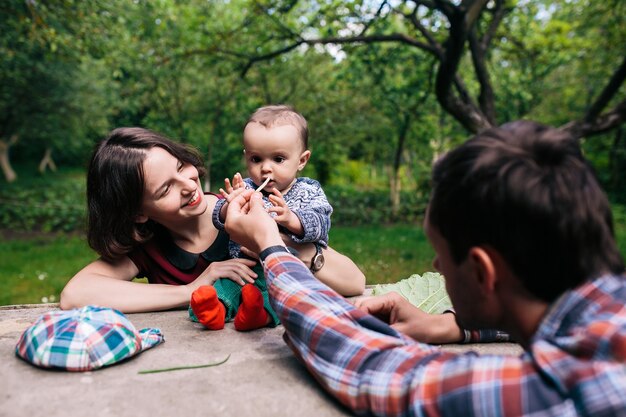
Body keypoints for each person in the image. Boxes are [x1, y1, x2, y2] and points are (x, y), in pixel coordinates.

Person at [222, 120, 626, 416]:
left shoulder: (554, 394)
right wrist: (452, 326)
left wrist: (270, 246)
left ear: (483, 273)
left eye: (440, 256)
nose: (435, 265)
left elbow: (372, 367)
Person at [59, 128, 364, 330]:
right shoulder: (150, 247)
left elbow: (354, 282)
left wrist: (274, 241)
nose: (189, 185)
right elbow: (75, 294)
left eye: (181, 167)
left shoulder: (240, 209)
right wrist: (191, 290)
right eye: (165, 189)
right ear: (138, 213)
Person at [211, 104, 364, 296]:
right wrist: (229, 205)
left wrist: (292, 219)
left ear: (301, 160)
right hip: (246, 268)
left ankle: (259, 312)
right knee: (224, 289)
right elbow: (218, 218)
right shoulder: (246, 188)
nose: (266, 168)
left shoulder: (307, 190)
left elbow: (321, 223)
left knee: (282, 295)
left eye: (278, 159)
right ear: (246, 157)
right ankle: (213, 307)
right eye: (256, 159)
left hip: (292, 270)